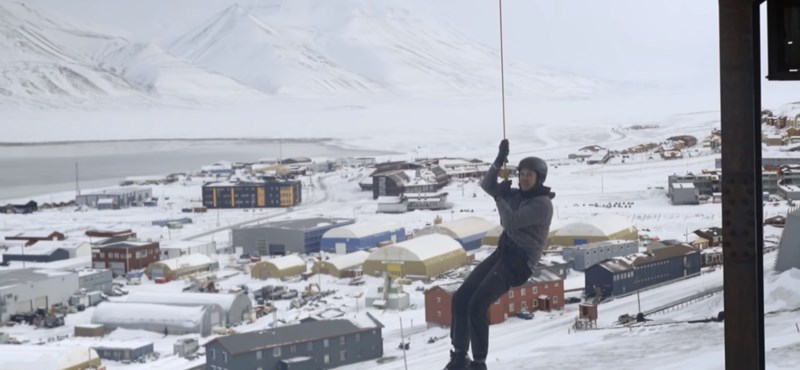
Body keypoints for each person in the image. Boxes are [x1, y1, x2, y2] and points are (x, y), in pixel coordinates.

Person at [443, 139, 554, 370]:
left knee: (477, 304)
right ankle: (459, 356)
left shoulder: (542, 204)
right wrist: (497, 161)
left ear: (539, 179)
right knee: (461, 298)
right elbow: (487, 185)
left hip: (520, 262)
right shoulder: (517, 195)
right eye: (521, 173)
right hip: (504, 252)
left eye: (529, 175)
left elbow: (510, 221)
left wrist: (500, 197)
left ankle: (478, 363)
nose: (523, 178)